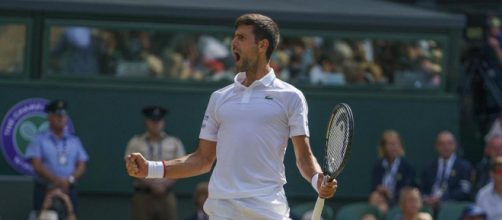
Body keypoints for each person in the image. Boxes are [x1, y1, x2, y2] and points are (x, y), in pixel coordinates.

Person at [125, 13, 338, 219]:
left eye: (241, 38)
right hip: (223, 208)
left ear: (262, 45)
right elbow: (203, 159)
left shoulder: (291, 97)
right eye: (234, 37)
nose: (233, 43)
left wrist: (317, 179)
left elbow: (303, 156)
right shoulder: (219, 98)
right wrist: (150, 169)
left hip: (267, 208)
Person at [25, 99, 88, 215]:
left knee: (70, 216)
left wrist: (69, 180)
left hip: (68, 189)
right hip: (45, 189)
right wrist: (57, 181)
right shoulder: (39, 140)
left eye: (63, 116)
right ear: (49, 118)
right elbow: (37, 165)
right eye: (57, 116)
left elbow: (82, 165)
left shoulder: (74, 141)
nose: (61, 119)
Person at [124, 106, 186, 220]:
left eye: (159, 120)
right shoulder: (136, 142)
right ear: (146, 122)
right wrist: (152, 185)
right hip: (143, 194)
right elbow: (130, 166)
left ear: (163, 122)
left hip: (166, 194)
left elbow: (182, 166)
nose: (156, 124)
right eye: (153, 120)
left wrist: (164, 185)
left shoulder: (174, 142)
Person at [420, 131, 472, 208]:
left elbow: (464, 190)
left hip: (451, 207)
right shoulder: (429, 166)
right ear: (436, 147)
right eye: (442, 144)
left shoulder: (464, 166)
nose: (446, 147)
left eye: (449, 143)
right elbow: (422, 188)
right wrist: (426, 198)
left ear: (455, 145)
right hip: (429, 205)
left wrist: (442, 199)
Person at [371, 130, 416, 204]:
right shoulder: (378, 166)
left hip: (399, 201)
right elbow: (374, 187)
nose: (393, 147)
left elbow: (407, 190)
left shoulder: (407, 167)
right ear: (383, 147)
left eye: (396, 144)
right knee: (375, 196)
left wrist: (390, 193)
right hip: (380, 198)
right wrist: (381, 190)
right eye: (390, 144)